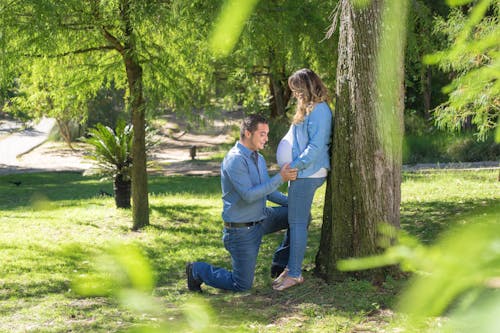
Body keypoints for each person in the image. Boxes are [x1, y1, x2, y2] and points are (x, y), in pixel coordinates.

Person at [186, 114, 298, 292]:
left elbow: (267, 191)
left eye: (267, 134)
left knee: (299, 216)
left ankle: (279, 265)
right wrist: (280, 177)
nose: (266, 139)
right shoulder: (235, 159)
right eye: (262, 134)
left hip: (263, 218)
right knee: (242, 285)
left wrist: (294, 204)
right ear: (247, 133)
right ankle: (196, 270)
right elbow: (248, 195)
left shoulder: (258, 158)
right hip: (241, 230)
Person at [273, 68, 332, 291]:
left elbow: (315, 148)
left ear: (307, 86)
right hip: (300, 173)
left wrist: (292, 166)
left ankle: (295, 274)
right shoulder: (308, 109)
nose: (295, 94)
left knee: (297, 224)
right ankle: (291, 267)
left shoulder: (320, 111)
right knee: (295, 222)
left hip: (307, 173)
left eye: (297, 89)